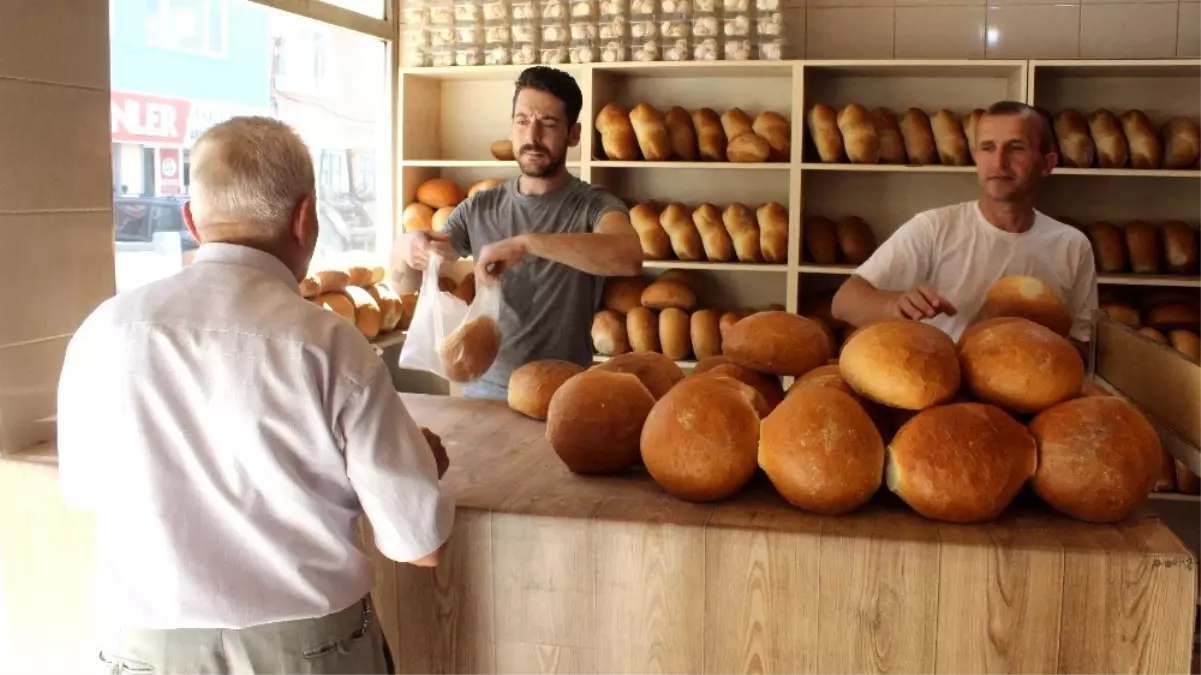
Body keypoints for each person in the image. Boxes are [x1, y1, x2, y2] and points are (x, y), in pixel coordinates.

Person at [57, 117, 453, 675]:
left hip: (145, 653)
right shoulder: (330, 344)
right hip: (308, 655)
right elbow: (419, 544)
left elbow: (84, 488)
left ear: (193, 221)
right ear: (305, 217)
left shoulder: (107, 330)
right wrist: (417, 468)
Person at [391, 66, 643, 400]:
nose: (532, 137)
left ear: (574, 134)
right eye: (522, 121)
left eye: (548, 123)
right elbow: (404, 283)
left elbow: (628, 257)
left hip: (559, 401)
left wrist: (528, 243)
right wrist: (408, 247)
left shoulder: (594, 206)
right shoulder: (479, 207)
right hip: (481, 397)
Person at [831, 100, 1098, 344]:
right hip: (944, 387)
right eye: (987, 147)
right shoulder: (934, 228)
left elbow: (1082, 341)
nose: (998, 161)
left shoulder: (1072, 245)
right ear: (976, 158)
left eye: (1016, 147)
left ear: (1047, 164)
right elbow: (844, 302)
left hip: (1035, 389)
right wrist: (894, 305)